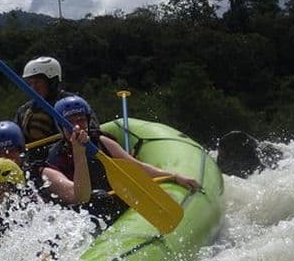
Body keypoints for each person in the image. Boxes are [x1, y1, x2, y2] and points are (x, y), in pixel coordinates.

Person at [45, 95, 200, 226]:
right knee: (98, 198)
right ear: (61, 127)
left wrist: (174, 176)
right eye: (70, 122)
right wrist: (79, 154)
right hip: (84, 220)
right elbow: (79, 197)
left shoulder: (102, 142)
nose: (78, 126)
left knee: (103, 199)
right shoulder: (53, 162)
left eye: (81, 120)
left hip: (115, 206)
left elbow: (137, 167)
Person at [14, 56, 99, 160]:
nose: (33, 87)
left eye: (38, 82)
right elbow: (16, 142)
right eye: (30, 83)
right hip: (37, 162)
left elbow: (93, 130)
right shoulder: (25, 111)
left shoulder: (73, 103)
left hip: (70, 157)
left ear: (52, 81)